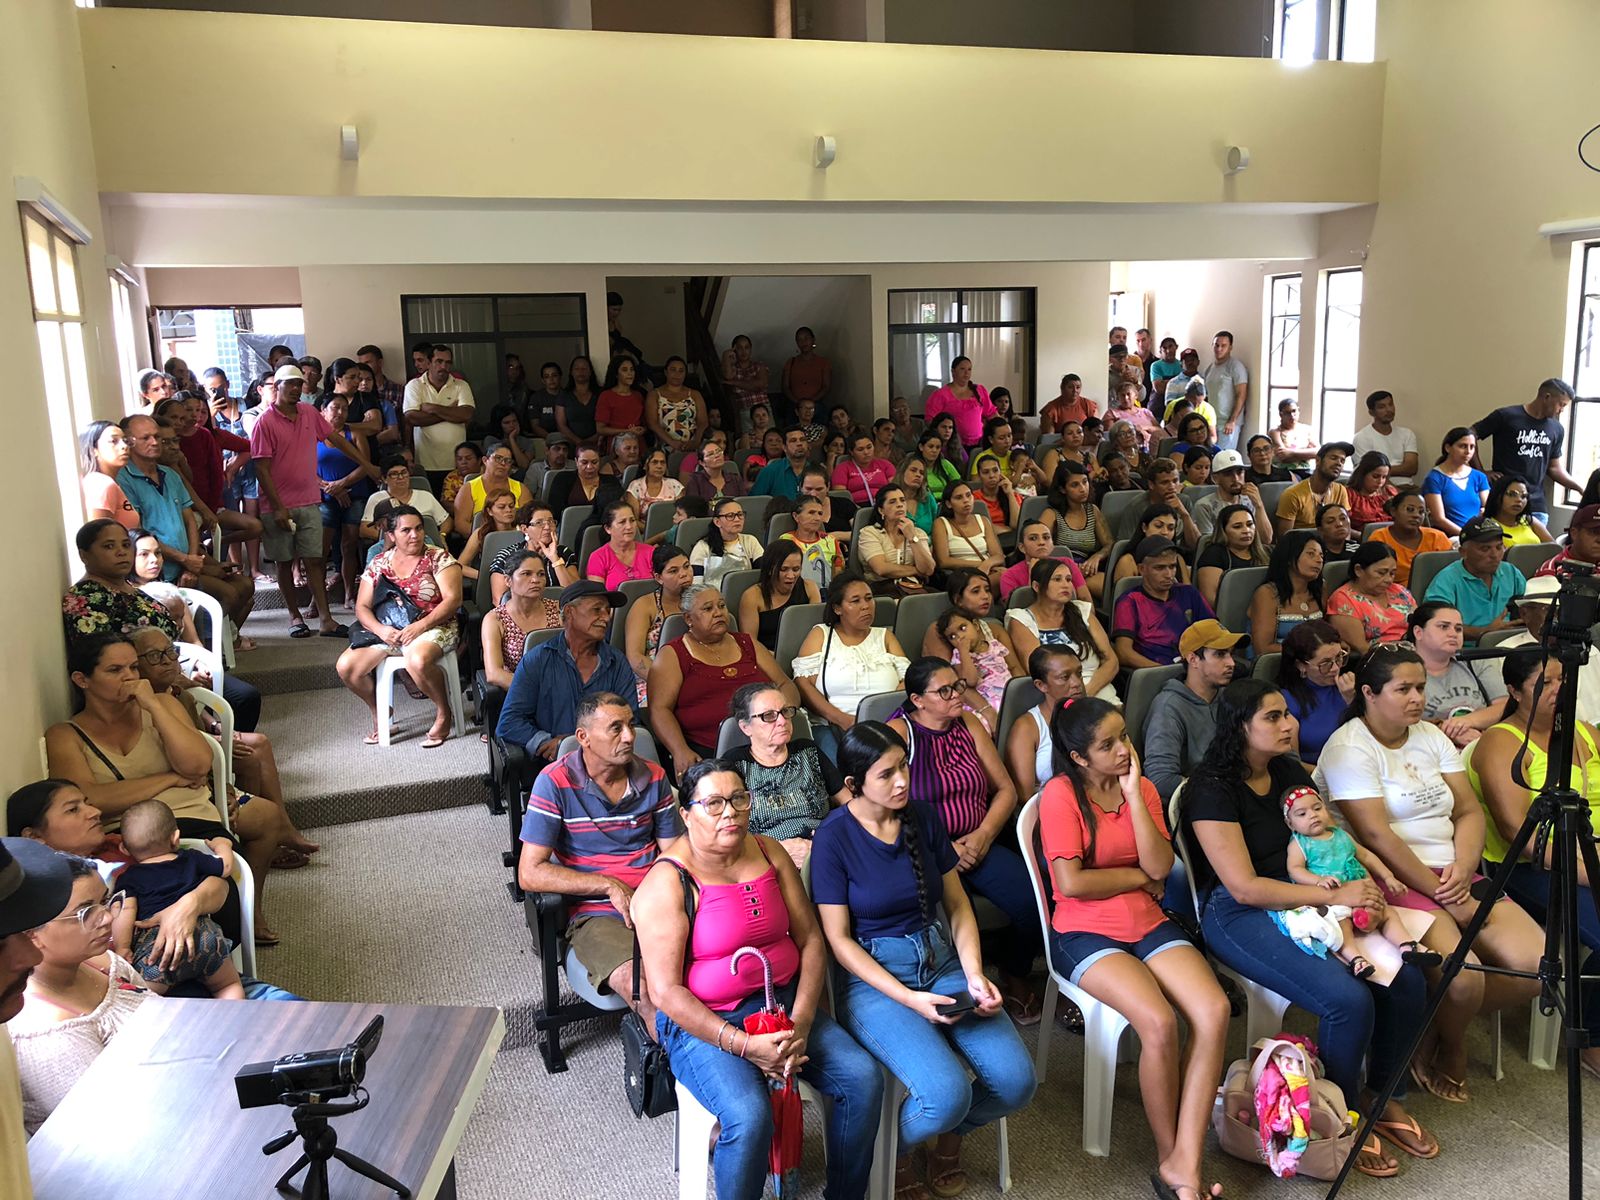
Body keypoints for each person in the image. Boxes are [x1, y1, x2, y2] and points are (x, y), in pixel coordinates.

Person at [1179, 678, 1434, 1175]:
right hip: (1240, 912)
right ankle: (1340, 1116)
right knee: (1347, 1000)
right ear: (1240, 726)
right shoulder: (1211, 790)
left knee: (1407, 977)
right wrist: (1335, 895)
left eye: (1287, 713)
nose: (1289, 724)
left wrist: (1359, 883)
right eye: (1273, 716)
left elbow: (1325, 840)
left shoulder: (1285, 769)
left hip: (1310, 891)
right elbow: (1244, 888)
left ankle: (1383, 1096)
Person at [634, 756, 880, 1200]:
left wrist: (800, 1024)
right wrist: (745, 1045)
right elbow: (666, 992)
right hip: (704, 1023)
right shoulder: (667, 882)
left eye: (738, 799)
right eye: (713, 803)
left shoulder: (769, 852)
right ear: (686, 815)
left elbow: (810, 941)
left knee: (862, 1079)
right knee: (749, 1117)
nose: (729, 812)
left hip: (781, 1007)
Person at [1317, 646, 1544, 1105]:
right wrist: (1447, 894)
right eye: (1403, 689)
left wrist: (1463, 867)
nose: (1417, 698)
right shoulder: (1348, 747)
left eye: (1421, 687)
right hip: (1391, 878)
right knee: (1464, 978)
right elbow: (1376, 836)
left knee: (1539, 966)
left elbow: (1468, 811)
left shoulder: (1430, 736)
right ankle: (1453, 1047)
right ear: (1369, 693)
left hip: (1453, 870)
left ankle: (1430, 1029)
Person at [1042, 699, 1231, 1200]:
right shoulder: (1060, 795)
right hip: (1083, 932)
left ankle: (1184, 1159)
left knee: (1213, 1011)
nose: (1124, 749)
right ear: (1079, 757)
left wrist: (1131, 795)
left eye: (1123, 736)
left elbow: (1161, 865)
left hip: (1146, 922)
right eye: (1108, 745)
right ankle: (1175, 1161)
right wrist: (1137, 879)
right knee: (1160, 1022)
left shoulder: (1141, 787)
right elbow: (1071, 883)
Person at [1467, 647, 1600, 1080]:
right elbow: (1518, 835)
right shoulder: (1502, 742)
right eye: (1546, 683)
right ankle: (1593, 1040)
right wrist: (1590, 872)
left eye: (1564, 679)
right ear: (1515, 691)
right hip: (1534, 867)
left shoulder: (1586, 733)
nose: (1559, 689)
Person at [517, 692, 679, 1028]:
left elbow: (675, 853)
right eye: (616, 728)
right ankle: (677, 1058)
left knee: (713, 971)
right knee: (643, 989)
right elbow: (529, 873)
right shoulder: (554, 782)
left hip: (658, 902)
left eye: (631, 725)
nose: (630, 736)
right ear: (584, 737)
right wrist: (607, 885)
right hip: (596, 914)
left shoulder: (654, 776)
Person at [8, 851, 147, 1137]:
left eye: (104, 902)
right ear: (32, 932)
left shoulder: (103, 962)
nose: (106, 918)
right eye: (85, 912)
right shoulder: (44, 1033)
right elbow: (110, 1125)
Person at [252, 363, 378, 638]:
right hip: (278, 506)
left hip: (309, 501)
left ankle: (326, 620)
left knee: (315, 560)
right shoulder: (265, 422)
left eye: (299, 384)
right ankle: (294, 617)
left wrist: (367, 465)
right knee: (284, 562)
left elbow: (337, 440)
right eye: (290, 384)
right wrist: (278, 508)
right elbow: (261, 468)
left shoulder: (309, 412)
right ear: (277, 387)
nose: (296, 389)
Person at [334, 506, 464, 748]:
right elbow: (362, 606)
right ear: (391, 535)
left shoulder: (439, 558)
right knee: (347, 667)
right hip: (389, 630)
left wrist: (420, 626)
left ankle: (443, 711)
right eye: (406, 530)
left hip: (434, 625)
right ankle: (380, 710)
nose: (415, 535)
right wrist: (381, 630)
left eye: (419, 528)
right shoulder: (379, 562)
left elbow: (453, 600)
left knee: (417, 660)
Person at [649, 583, 800, 776]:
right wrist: (680, 750)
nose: (718, 613)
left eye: (721, 606)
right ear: (688, 618)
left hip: (767, 746)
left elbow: (785, 684)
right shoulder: (673, 654)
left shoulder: (748, 644)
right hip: (707, 755)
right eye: (708, 609)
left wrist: (781, 716)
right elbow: (659, 710)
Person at [496, 581, 641, 766]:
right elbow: (509, 722)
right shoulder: (538, 660)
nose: (606, 617)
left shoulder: (617, 662)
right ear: (570, 612)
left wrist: (571, 743)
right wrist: (546, 741)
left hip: (608, 763)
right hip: (553, 766)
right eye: (597, 610)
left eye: (607, 610)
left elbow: (631, 719)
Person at [109, 800, 242, 999]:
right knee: (227, 985)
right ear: (176, 838)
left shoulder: (129, 878)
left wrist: (123, 947)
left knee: (140, 1001)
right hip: (205, 937)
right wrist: (223, 844)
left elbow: (124, 911)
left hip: (158, 950)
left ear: (124, 849)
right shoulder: (191, 858)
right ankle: (235, 1014)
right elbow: (225, 867)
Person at [725, 684, 848, 867]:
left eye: (785, 711)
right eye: (769, 716)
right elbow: (726, 829)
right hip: (766, 861)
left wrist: (829, 841)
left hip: (826, 852)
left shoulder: (808, 751)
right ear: (745, 727)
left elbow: (849, 803)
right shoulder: (735, 765)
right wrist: (776, 850)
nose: (782, 721)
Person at [791, 573, 911, 754]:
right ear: (837, 608)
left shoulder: (885, 637)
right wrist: (842, 719)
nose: (866, 606)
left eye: (869, 598)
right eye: (855, 601)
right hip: (834, 726)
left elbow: (907, 679)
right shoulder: (821, 634)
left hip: (886, 724)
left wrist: (888, 716)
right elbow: (804, 684)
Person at [1144, 621, 1244, 802]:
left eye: (1231, 654)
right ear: (1193, 659)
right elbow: (1160, 778)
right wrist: (1217, 791)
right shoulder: (1168, 708)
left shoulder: (1229, 696)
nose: (1231, 663)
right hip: (1200, 801)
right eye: (1220, 654)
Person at [1472, 378, 1580, 521]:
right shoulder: (1506, 416)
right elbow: (1470, 434)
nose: (1561, 410)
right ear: (1547, 397)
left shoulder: (1556, 429)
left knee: (1538, 536)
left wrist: (1579, 488)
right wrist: (1481, 472)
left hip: (1536, 504)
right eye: (1561, 404)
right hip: (1504, 500)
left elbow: (1554, 468)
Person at [479, 549, 561, 734]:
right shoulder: (495, 619)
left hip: (560, 686)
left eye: (541, 574)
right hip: (521, 691)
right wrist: (537, 691)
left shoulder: (559, 611)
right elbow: (494, 673)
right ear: (508, 580)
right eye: (526, 574)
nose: (535, 580)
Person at [1406, 602, 1508, 745]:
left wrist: (1466, 722)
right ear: (1418, 632)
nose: (1453, 634)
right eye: (1443, 627)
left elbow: (1504, 706)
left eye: (1458, 629)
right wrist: (1448, 732)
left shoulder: (1477, 661)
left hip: (1483, 743)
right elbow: (1396, 722)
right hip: (1425, 748)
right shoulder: (1400, 671)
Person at [1115, 537, 1215, 669]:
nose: (1169, 574)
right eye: (1159, 568)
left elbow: (1215, 633)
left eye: (1172, 566)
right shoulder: (1130, 601)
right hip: (1155, 671)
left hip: (1196, 667)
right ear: (1142, 569)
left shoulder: (1189, 593)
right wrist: (1162, 671)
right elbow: (1123, 653)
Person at [1423, 515, 1525, 644]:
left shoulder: (1511, 572)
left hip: (1512, 645)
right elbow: (1437, 626)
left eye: (1499, 547)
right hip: (1466, 651)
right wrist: (1485, 632)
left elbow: (1529, 606)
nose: (1494, 555)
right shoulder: (1446, 580)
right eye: (1485, 549)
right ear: (1463, 552)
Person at [1002, 644, 1085, 797]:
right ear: (1041, 685)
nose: (1077, 683)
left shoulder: (1094, 716)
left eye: (1079, 673)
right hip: (1050, 806)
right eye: (1064, 677)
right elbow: (1025, 797)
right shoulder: (1028, 728)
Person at [623, 544, 693, 705]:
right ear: (659, 577)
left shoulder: (700, 601)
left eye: (686, 566)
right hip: (654, 676)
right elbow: (635, 657)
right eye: (673, 571)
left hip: (694, 672)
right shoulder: (645, 605)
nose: (684, 574)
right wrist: (669, 682)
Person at [1276, 620, 1353, 763]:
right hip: (1315, 772)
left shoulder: (1348, 687)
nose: (1336, 668)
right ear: (1301, 666)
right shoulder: (1286, 702)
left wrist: (1353, 701)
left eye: (1339, 657)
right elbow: (1292, 766)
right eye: (1325, 663)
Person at [1325, 541, 1417, 654]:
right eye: (1381, 573)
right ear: (1358, 570)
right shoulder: (1343, 600)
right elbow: (1363, 649)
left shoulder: (1400, 591)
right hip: (1379, 658)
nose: (1388, 579)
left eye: (1392, 573)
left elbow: (1421, 624)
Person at [1249, 530, 1325, 656]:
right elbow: (1262, 649)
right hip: (1277, 663)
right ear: (1289, 558)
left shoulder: (1320, 589)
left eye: (1321, 555)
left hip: (1314, 662)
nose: (1319, 560)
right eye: (1311, 554)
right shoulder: (1267, 593)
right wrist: (1313, 651)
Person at [737, 542, 821, 653]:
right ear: (770, 569)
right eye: (783, 569)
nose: (791, 576)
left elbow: (817, 631)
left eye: (796, 569)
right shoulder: (752, 596)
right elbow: (750, 644)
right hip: (766, 656)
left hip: (805, 654)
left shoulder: (810, 588)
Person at [486, 502, 576, 602]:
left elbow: (575, 595)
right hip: (519, 611)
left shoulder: (563, 552)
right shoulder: (507, 556)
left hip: (560, 610)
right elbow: (499, 599)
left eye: (551, 521)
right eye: (539, 523)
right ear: (524, 529)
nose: (547, 527)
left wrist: (555, 559)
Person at [857, 483, 935, 596]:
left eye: (902, 500)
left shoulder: (917, 533)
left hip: (914, 587)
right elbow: (881, 568)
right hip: (881, 588)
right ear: (881, 510)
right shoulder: (870, 533)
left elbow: (928, 569)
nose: (899, 505)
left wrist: (912, 538)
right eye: (892, 502)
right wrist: (917, 571)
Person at [1371, 488, 1451, 590]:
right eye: (1410, 509)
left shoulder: (1437, 537)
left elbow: (1451, 572)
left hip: (1435, 590)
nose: (1416, 515)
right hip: (1390, 592)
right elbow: (1374, 578)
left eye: (1421, 512)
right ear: (1393, 511)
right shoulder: (1379, 538)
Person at [932, 480, 1005, 592]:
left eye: (968, 495)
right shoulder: (941, 523)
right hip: (961, 575)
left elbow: (999, 556)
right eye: (959, 497)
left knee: (1010, 576)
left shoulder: (983, 520)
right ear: (949, 504)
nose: (966, 500)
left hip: (987, 572)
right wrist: (980, 565)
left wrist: (987, 565)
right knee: (1004, 578)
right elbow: (944, 561)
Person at [1194, 503, 1270, 610]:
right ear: (1223, 530)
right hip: (1229, 614)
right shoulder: (1214, 554)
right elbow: (1211, 601)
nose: (1246, 530)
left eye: (1250, 524)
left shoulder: (1267, 552)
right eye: (1237, 527)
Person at [359, 458, 452, 543]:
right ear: (384, 479)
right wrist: (397, 539)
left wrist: (441, 535)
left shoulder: (426, 496)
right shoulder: (376, 498)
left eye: (404, 472)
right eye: (394, 474)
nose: (401, 477)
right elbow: (364, 530)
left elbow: (447, 521)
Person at [1191, 449, 1272, 545]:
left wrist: (1259, 505)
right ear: (1215, 478)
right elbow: (1207, 544)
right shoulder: (1205, 506)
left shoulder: (1250, 500)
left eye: (1239, 472)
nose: (1236, 479)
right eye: (1228, 474)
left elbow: (1266, 540)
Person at [1422, 427, 1490, 537]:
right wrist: (1465, 536)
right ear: (1448, 448)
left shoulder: (1479, 477)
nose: (1468, 452)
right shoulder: (1434, 478)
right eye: (1463, 446)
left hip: (1479, 534)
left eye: (1472, 447)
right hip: (1451, 537)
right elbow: (1439, 519)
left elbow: (1489, 507)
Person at [1273, 442, 1351, 536]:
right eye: (1333, 458)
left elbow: (1346, 529)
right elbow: (1284, 538)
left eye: (1342, 461)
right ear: (1318, 460)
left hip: (1333, 542)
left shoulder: (1340, 490)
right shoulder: (1293, 494)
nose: (1338, 463)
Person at [1002, 518, 1088, 602]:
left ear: (1052, 544)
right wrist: (1033, 574)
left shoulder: (1066, 563)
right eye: (1033, 538)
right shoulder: (1009, 576)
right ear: (1022, 547)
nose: (1041, 542)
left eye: (1046, 537)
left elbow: (1085, 599)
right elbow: (1018, 609)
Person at [924, 356, 997, 454]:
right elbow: (930, 420)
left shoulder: (979, 390)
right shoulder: (941, 394)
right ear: (953, 371)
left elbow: (992, 414)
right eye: (962, 369)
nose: (966, 373)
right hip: (953, 446)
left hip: (980, 443)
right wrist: (943, 439)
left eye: (969, 369)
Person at [452, 443, 526, 536]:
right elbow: (461, 525)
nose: (503, 463)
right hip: (480, 539)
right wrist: (485, 537)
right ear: (485, 460)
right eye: (498, 458)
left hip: (515, 539)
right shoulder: (468, 489)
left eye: (507, 461)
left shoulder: (521, 489)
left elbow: (528, 520)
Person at [685, 496, 760, 587]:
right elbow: (696, 585)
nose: (737, 519)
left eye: (740, 514)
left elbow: (763, 572)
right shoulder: (703, 547)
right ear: (717, 522)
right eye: (730, 516)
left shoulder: (750, 541)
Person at [580, 499, 651, 590]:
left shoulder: (650, 552)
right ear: (608, 528)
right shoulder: (598, 557)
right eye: (622, 522)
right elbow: (597, 595)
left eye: (632, 520)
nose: (629, 526)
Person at [643, 355, 707, 454]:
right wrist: (672, 442)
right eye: (673, 370)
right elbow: (652, 423)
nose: (677, 374)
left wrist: (696, 441)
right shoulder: (654, 395)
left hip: (692, 447)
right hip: (664, 448)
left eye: (681, 371)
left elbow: (703, 422)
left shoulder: (695, 394)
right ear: (666, 372)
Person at [1354, 390, 1420, 486]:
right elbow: (1366, 472)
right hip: (1379, 488)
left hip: (1408, 486)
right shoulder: (1361, 438)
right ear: (1371, 412)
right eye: (1382, 407)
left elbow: (1412, 468)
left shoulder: (1407, 434)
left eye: (1390, 404)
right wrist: (1394, 490)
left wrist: (1381, 470)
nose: (1389, 410)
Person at [781, 496, 847, 591]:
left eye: (820, 513)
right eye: (811, 513)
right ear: (796, 516)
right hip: (795, 592)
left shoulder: (830, 540)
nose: (817, 518)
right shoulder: (786, 540)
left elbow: (838, 575)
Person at [1202, 331, 1249, 450]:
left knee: (1224, 458)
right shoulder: (1209, 369)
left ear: (1230, 347)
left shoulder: (1236, 367)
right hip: (1211, 423)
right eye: (1216, 345)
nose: (1219, 349)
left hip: (1228, 424)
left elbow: (1241, 395)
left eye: (1223, 346)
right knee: (1210, 456)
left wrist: (1232, 421)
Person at [1484, 473, 1552, 546]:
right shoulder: (1486, 525)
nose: (1519, 500)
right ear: (1497, 496)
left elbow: (1554, 548)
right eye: (1512, 494)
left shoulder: (1529, 520)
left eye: (1524, 496)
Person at [682, 436, 748, 504]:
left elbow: (745, 503)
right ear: (702, 462)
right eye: (710, 454)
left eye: (718, 451)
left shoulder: (735, 479)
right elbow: (693, 507)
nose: (717, 456)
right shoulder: (695, 481)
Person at [750, 425, 811, 499]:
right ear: (784, 447)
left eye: (802, 440)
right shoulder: (770, 471)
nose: (799, 444)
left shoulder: (816, 470)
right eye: (793, 440)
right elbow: (754, 501)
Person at [1345, 450, 1398, 530]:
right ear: (1363, 474)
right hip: (1362, 535)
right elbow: (1343, 526)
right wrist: (1363, 535)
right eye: (1375, 476)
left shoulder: (1389, 491)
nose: (1380, 481)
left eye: (1384, 477)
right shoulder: (1349, 494)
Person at [1268, 398, 1316, 469]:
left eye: (1294, 411)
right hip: (1283, 472)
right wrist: (1307, 452)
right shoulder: (1275, 432)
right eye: (1287, 413)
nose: (1292, 415)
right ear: (1281, 414)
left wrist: (1291, 453)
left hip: (1306, 471)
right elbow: (1283, 456)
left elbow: (1318, 452)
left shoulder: (1307, 430)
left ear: (1298, 410)